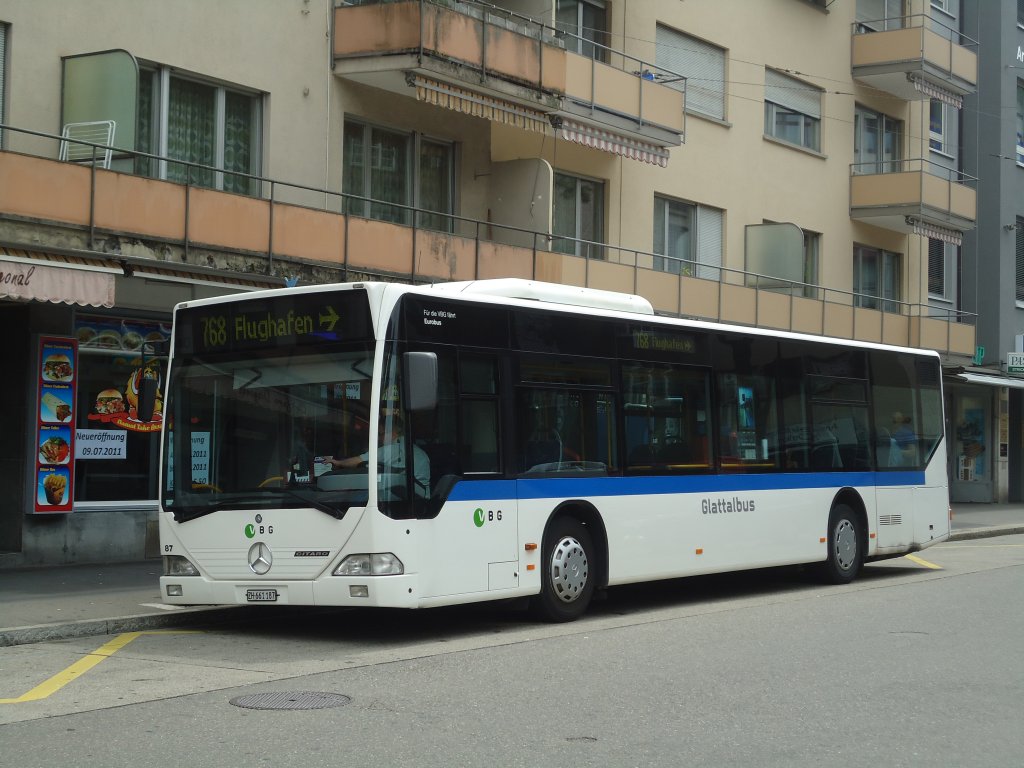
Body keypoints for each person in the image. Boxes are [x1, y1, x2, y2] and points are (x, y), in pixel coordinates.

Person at [329, 416, 430, 498]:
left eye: (380, 434)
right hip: (422, 501)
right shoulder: (421, 453)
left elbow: (357, 461)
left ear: (391, 432)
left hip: (401, 501)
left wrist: (337, 462)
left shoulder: (389, 450)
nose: (379, 438)